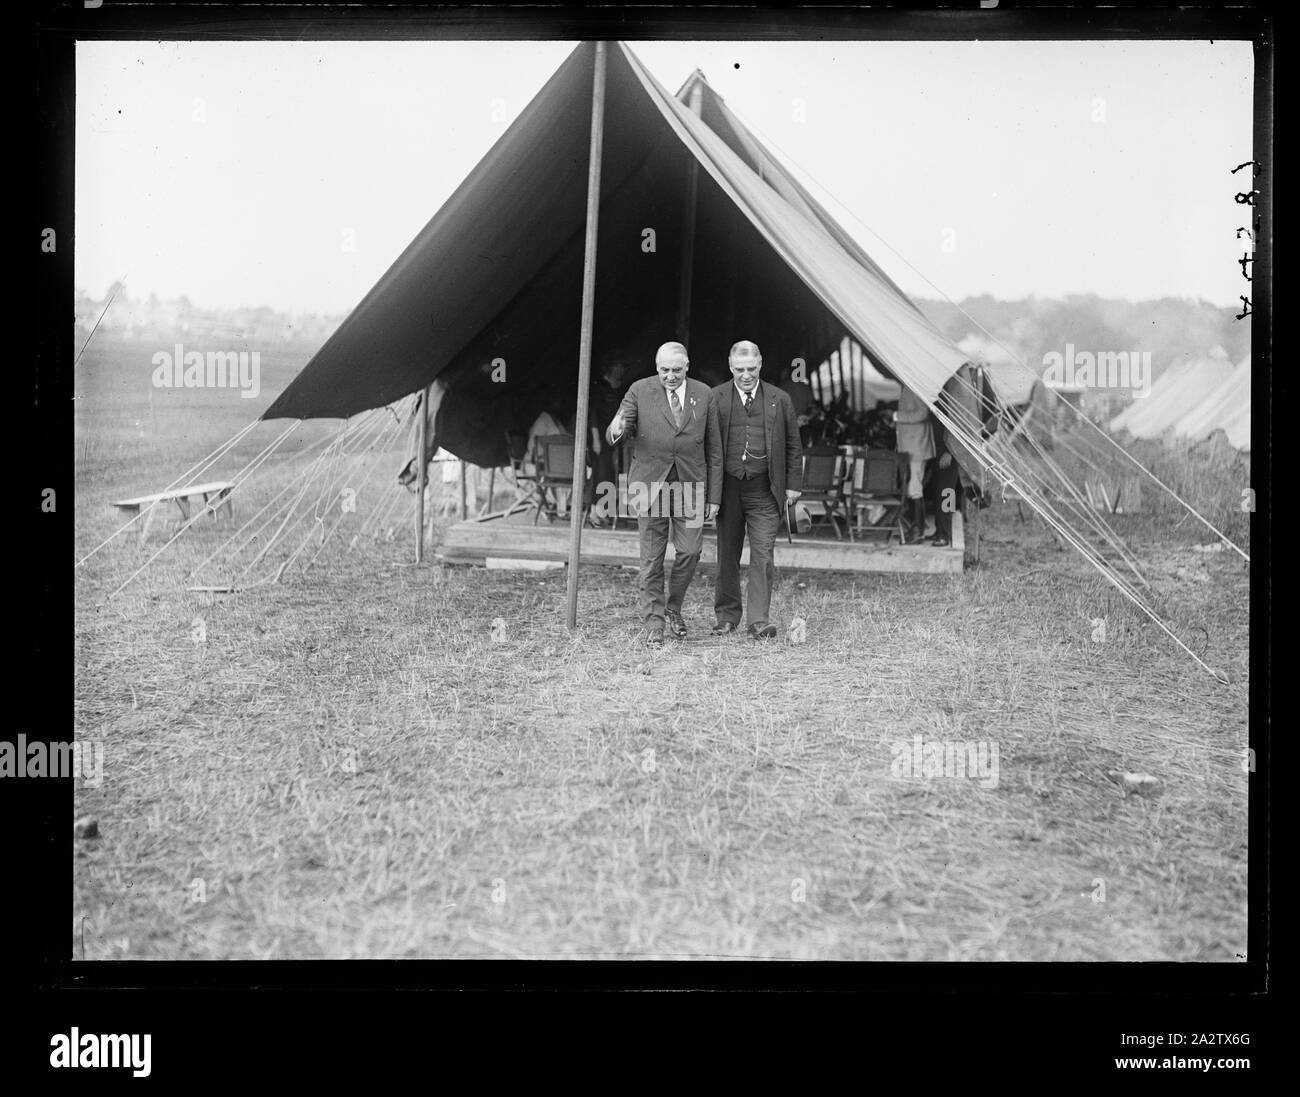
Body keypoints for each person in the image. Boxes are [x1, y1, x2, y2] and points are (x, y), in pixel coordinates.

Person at [607, 342, 721, 648]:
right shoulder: (639, 390)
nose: (670, 376)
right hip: (650, 485)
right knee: (652, 559)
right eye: (664, 370)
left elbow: (715, 449)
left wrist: (714, 496)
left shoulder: (704, 394)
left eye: (676, 370)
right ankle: (654, 623)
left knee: (690, 551)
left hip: (691, 485)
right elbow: (619, 426)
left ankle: (673, 606)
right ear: (657, 368)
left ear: (687, 366)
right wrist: (617, 427)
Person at [710, 341, 803, 641]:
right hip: (728, 489)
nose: (746, 375)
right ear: (730, 366)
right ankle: (726, 617)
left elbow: (793, 445)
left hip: (765, 489)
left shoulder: (780, 399)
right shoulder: (716, 398)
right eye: (739, 370)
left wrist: (793, 485)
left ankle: (758, 621)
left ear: (760, 365)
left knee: (763, 555)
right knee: (727, 554)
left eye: (751, 369)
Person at [588, 359, 629, 527]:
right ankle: (595, 514)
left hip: (614, 438)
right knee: (601, 474)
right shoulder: (599, 388)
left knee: (610, 475)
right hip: (599, 439)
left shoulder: (619, 388)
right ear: (611, 367)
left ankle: (603, 512)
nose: (621, 369)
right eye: (618, 365)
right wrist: (596, 440)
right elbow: (593, 416)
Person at [895, 385, 934, 544]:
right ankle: (918, 527)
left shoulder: (916, 386)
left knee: (914, 489)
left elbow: (923, 413)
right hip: (909, 447)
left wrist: (897, 416)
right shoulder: (908, 386)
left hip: (916, 447)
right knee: (913, 489)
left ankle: (918, 530)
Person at [927, 410, 959, 547]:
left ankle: (945, 534)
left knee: (948, 494)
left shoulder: (952, 400)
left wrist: (949, 452)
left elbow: (958, 428)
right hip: (938, 453)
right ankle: (940, 530)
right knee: (939, 493)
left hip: (948, 456)